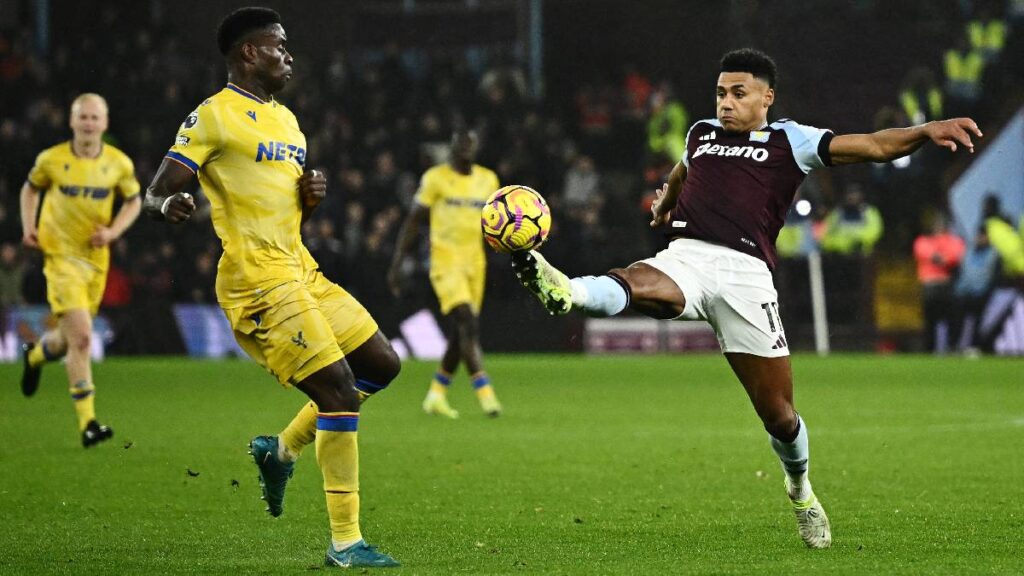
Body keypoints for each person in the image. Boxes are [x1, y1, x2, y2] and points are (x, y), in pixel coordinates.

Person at [511, 49, 981, 549]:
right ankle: (567, 290)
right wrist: (666, 201)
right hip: (686, 256)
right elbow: (683, 168)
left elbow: (870, 145)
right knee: (636, 281)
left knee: (779, 414)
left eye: (738, 93)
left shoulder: (789, 140)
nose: (726, 103)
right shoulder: (700, 133)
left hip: (746, 276)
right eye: (720, 93)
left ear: (766, 97)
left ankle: (800, 491)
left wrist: (926, 130)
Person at [142, 8, 400, 568]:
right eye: (279, 45)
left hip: (300, 268)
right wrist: (171, 203)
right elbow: (154, 192)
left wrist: (311, 194)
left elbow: (281, 201)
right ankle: (345, 543)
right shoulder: (212, 117)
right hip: (256, 280)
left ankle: (280, 450)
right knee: (335, 391)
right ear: (249, 54)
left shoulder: (288, 122)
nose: (289, 55)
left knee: (381, 365)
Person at [18, 92, 141, 448]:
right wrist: (29, 227)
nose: (88, 123)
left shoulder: (118, 163)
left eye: (94, 118)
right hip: (60, 259)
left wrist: (113, 232)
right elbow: (30, 189)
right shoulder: (52, 160)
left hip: (95, 261)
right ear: (72, 122)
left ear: (104, 123)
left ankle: (37, 355)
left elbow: (133, 200)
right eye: (82, 117)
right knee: (84, 339)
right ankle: (88, 422)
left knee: (69, 339)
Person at [388, 128, 503, 418]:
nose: (465, 148)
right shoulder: (435, 179)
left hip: (475, 262)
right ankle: (485, 392)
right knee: (466, 320)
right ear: (451, 147)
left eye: (470, 144)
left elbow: (497, 225)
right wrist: (398, 262)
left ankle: (436, 394)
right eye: (460, 143)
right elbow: (413, 221)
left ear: (477, 148)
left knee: (460, 331)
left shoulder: (488, 179)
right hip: (445, 261)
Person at [912, 212, 965, 353]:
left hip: (946, 285)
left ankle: (951, 348)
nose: (937, 226)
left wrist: (941, 258)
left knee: (951, 319)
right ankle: (930, 349)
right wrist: (943, 258)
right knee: (930, 321)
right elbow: (931, 254)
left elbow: (955, 256)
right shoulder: (923, 241)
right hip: (930, 285)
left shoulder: (952, 240)